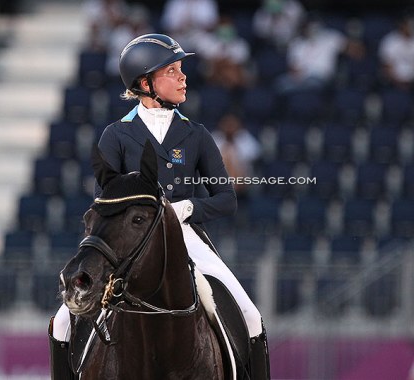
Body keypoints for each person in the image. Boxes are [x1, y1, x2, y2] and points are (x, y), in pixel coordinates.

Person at [48, 33, 270, 379]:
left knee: (251, 315)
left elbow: (226, 198)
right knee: (63, 321)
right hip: (130, 242)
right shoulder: (117, 135)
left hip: (185, 237)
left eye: (181, 69)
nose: (183, 78)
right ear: (145, 81)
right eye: (172, 71)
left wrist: (188, 209)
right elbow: (105, 203)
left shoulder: (195, 134)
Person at [378, 13, 414, 91]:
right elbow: (386, 66)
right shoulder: (390, 41)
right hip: (394, 83)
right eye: (409, 25)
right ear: (403, 25)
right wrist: (397, 82)